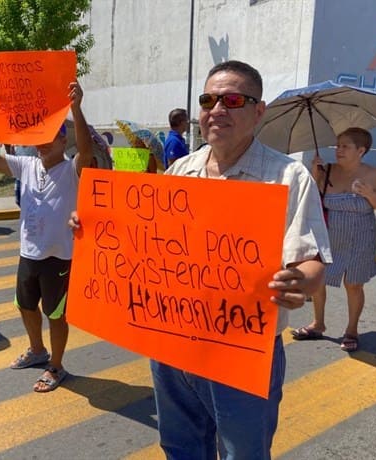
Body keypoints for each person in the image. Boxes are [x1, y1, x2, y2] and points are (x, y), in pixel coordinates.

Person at [70, 60, 331, 459]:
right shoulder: (179, 172)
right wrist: (93, 227)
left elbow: (312, 261)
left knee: (243, 452)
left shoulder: (288, 177)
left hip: (243, 351)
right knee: (181, 446)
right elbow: (145, 244)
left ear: (258, 111)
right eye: (209, 99)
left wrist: (301, 282)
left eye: (233, 99)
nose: (218, 109)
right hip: (171, 345)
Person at [0, 81, 93, 393]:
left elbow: (86, 150)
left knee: (56, 313)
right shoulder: (25, 165)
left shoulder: (73, 169)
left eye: (50, 139)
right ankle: (37, 350)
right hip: (29, 252)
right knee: (25, 305)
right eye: (39, 139)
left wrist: (76, 108)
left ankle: (56, 365)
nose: (43, 144)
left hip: (60, 256)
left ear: (63, 140)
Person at [292, 128, 376, 352]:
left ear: (361, 150)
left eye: (345, 146)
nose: (338, 150)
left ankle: (352, 330)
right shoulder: (327, 170)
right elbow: (313, 200)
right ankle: (318, 324)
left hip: (360, 239)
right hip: (329, 236)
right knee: (318, 280)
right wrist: (315, 176)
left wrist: (370, 194)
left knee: (353, 284)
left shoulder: (374, 175)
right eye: (337, 145)